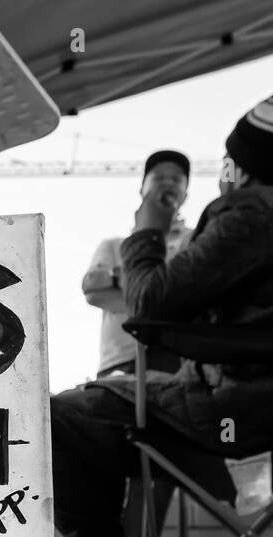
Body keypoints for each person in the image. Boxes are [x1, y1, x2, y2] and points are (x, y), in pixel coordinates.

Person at [52, 78, 273, 537]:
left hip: (229, 406)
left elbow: (149, 305)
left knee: (57, 418)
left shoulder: (250, 213)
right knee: (107, 419)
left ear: (253, 160)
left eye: (233, 159)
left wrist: (148, 232)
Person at [81, 150, 192, 377]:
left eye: (177, 179)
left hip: (177, 362)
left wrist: (126, 283)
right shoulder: (114, 245)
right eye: (159, 178)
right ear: (142, 188)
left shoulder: (194, 240)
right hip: (120, 362)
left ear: (185, 193)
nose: (168, 183)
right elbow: (92, 289)